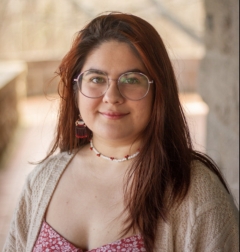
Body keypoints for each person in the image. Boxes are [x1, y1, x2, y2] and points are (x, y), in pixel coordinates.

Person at [3, 12, 239, 252]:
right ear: (76, 90)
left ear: (159, 92)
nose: (112, 97)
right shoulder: (41, 182)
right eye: (96, 79)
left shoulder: (197, 195)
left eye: (132, 79)